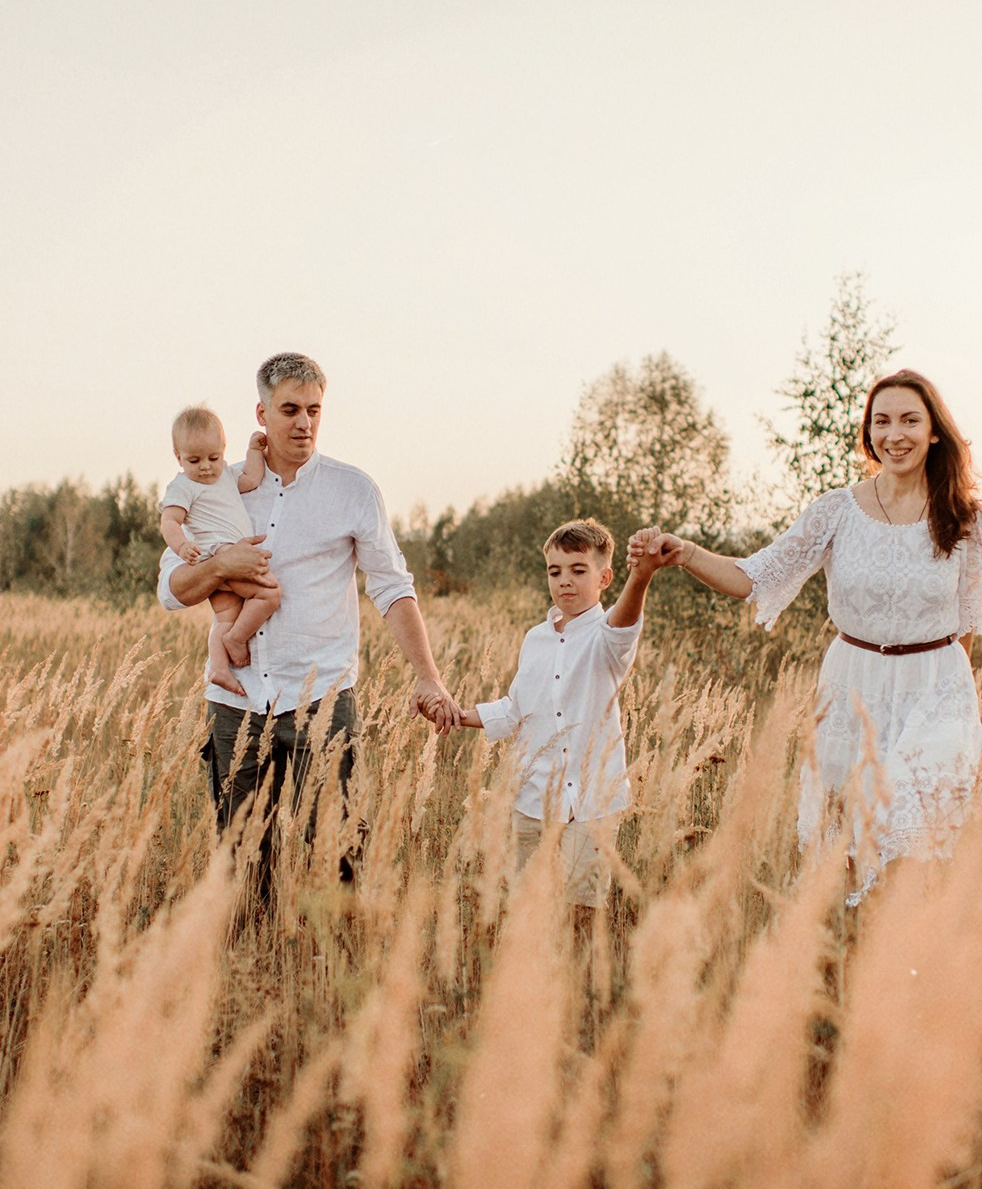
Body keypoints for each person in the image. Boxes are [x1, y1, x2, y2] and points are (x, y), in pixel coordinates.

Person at [630, 369, 982, 905]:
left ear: (934, 431)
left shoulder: (964, 518)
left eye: (909, 420)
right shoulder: (837, 511)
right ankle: (850, 944)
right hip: (853, 685)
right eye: (881, 422)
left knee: (913, 843)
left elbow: (967, 622)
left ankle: (911, 947)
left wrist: (954, 709)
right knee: (846, 845)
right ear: (868, 433)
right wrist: (687, 554)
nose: (895, 434)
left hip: (937, 691)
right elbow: (757, 576)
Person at [157, 352, 457, 902]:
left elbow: (392, 586)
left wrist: (427, 675)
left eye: (314, 410)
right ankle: (252, 952)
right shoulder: (216, 484)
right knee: (242, 868)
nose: (304, 423)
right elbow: (170, 591)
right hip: (237, 701)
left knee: (341, 859)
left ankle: (336, 950)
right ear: (262, 413)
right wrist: (221, 566)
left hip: (321, 697)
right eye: (290, 409)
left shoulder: (353, 489)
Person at [447, 519, 660, 912]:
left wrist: (641, 576)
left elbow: (625, 621)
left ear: (604, 578)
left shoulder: (607, 636)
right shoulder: (535, 639)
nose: (565, 581)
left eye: (578, 571)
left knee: (582, 908)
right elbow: (515, 708)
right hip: (534, 798)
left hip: (593, 801)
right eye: (555, 571)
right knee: (528, 906)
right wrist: (460, 715)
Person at [159, 405, 280, 692]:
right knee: (270, 593)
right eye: (194, 460)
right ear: (178, 457)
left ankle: (219, 668)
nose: (205, 466)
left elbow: (250, 479)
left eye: (213, 457)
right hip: (219, 553)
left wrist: (254, 451)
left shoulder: (225, 474)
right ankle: (237, 638)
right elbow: (169, 521)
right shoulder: (183, 486)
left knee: (226, 617)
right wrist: (182, 547)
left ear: (224, 450)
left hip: (225, 557)